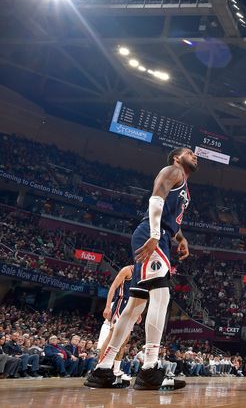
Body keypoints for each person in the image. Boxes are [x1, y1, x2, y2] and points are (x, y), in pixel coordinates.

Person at [85, 147, 196, 391]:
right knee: (161, 295)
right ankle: (149, 368)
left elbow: (169, 216)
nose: (194, 155)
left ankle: (103, 369)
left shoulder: (183, 183)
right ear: (177, 157)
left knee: (135, 305)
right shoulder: (172, 170)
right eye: (189, 152)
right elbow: (155, 199)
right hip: (152, 236)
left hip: (161, 235)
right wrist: (156, 235)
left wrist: (181, 238)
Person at [95, 264, 136, 385]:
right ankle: (100, 367)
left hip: (133, 306)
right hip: (121, 303)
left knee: (124, 340)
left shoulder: (142, 273)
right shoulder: (127, 270)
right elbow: (113, 288)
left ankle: (116, 369)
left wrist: (139, 313)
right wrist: (108, 306)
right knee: (112, 335)